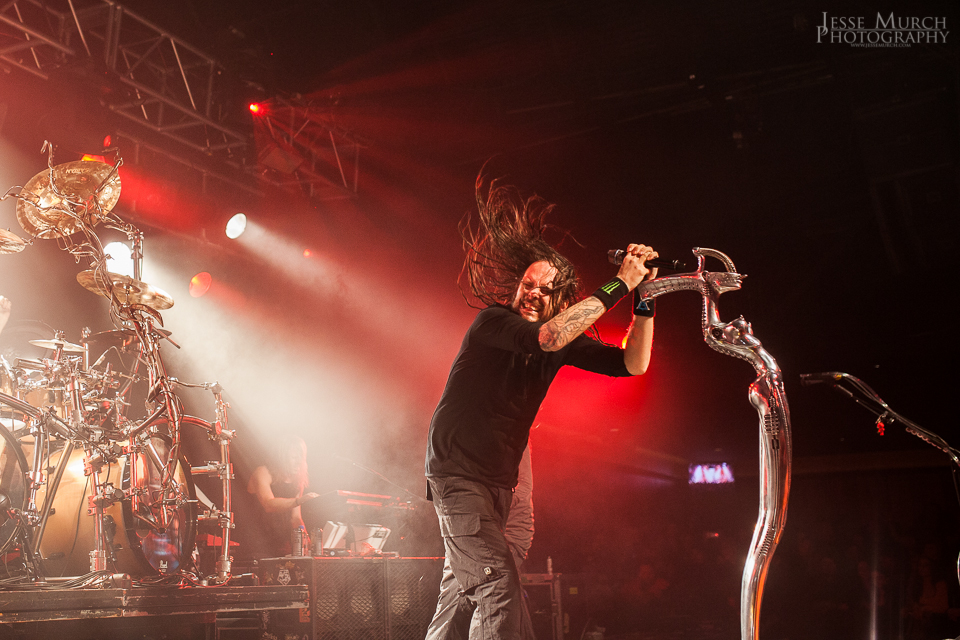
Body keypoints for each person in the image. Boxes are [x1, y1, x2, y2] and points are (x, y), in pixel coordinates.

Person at [424, 176, 659, 639]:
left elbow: (634, 364)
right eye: (528, 284)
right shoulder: (495, 321)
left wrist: (644, 299)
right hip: (459, 477)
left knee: (466, 597)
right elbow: (547, 337)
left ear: (561, 300)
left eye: (544, 290)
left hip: (498, 487)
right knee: (497, 589)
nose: (532, 293)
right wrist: (620, 283)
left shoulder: (560, 337)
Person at [247, 435, 319, 557]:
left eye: (301, 458)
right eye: (294, 458)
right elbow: (268, 504)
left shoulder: (297, 480)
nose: (299, 462)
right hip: (254, 542)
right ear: (282, 458)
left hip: (279, 544)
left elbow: (296, 518)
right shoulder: (263, 472)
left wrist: (306, 542)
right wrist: (299, 500)